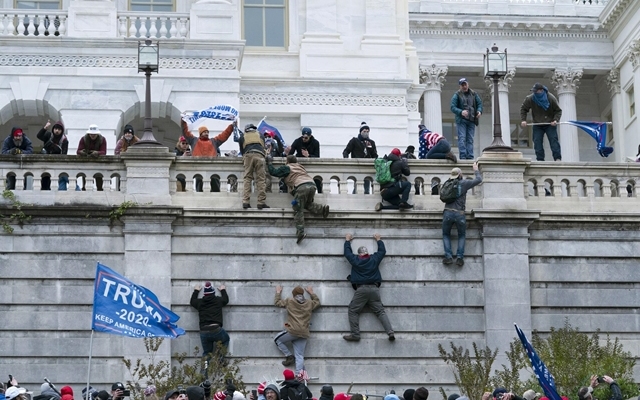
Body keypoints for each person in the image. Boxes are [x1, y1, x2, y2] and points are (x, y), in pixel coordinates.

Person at [343, 233, 394, 342]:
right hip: (374, 289)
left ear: (359, 254)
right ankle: (390, 332)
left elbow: (347, 253)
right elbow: (382, 252)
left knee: (353, 310)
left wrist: (347, 240)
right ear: (367, 253)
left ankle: (355, 334)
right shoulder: (374, 259)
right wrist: (378, 239)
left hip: (361, 289)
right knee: (380, 312)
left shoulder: (356, 260)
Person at [267, 155, 330, 244]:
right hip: (312, 185)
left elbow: (274, 172)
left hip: (301, 187)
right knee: (307, 204)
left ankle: (300, 232)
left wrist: (269, 163)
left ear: (288, 161)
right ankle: (322, 209)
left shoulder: (287, 167)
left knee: (298, 208)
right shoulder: (300, 167)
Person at [442, 163, 482, 267]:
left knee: (446, 234)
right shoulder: (464, 183)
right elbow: (478, 180)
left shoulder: (447, 183)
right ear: (460, 174)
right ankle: (459, 258)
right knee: (461, 235)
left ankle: (448, 257)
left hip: (447, 212)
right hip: (459, 213)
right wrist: (476, 170)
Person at [274, 285, 321, 373]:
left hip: (293, 331)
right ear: (302, 294)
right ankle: (299, 375)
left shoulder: (290, 301)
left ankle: (289, 356)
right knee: (299, 355)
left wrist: (278, 292)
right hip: (304, 333)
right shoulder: (309, 303)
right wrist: (311, 293)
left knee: (277, 340)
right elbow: (317, 302)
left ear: (293, 294)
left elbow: (277, 302)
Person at [180, 117, 235, 192]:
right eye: (204, 132)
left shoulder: (214, 141)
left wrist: (231, 126)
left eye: (207, 132)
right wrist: (183, 121)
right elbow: (185, 132)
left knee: (216, 191)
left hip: (213, 170)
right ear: (200, 133)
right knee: (200, 191)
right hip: (198, 171)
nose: (206, 133)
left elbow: (224, 135)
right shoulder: (194, 141)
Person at [190, 281, 230, 368]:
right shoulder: (218, 300)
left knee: (206, 354)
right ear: (213, 292)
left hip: (204, 331)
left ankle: (204, 375)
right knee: (225, 339)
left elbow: (192, 302)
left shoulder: (200, 303)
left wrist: (196, 291)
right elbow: (226, 300)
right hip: (216, 329)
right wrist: (223, 290)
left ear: (204, 294)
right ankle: (220, 359)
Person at [520, 82, 563, 161]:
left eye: (536, 91)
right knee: (537, 142)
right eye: (534, 91)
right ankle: (540, 159)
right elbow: (523, 109)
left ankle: (557, 158)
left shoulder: (551, 98)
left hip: (550, 123)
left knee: (553, 140)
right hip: (537, 124)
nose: (535, 93)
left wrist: (555, 120)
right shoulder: (530, 98)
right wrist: (523, 120)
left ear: (541, 90)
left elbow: (558, 111)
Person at [450, 78, 483, 160]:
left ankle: (470, 157)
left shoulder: (474, 94)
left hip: (471, 120)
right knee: (462, 138)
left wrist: (479, 111)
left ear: (468, 84)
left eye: (465, 84)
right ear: (460, 86)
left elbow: (479, 104)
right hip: (462, 120)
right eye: (462, 85)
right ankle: (463, 156)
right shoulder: (457, 95)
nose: (464, 86)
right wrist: (461, 112)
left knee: (470, 139)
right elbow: (452, 107)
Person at [238, 123, 269, 209]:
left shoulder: (243, 135)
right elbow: (263, 146)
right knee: (261, 179)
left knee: (247, 178)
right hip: (259, 155)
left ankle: (245, 201)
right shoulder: (260, 135)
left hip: (248, 155)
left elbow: (242, 150)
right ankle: (261, 202)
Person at [343, 122, 378, 194]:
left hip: (367, 167)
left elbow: (374, 154)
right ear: (361, 131)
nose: (366, 133)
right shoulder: (355, 141)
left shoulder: (371, 142)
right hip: (357, 166)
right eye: (364, 131)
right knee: (358, 185)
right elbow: (346, 151)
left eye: (367, 132)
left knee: (366, 186)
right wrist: (346, 160)